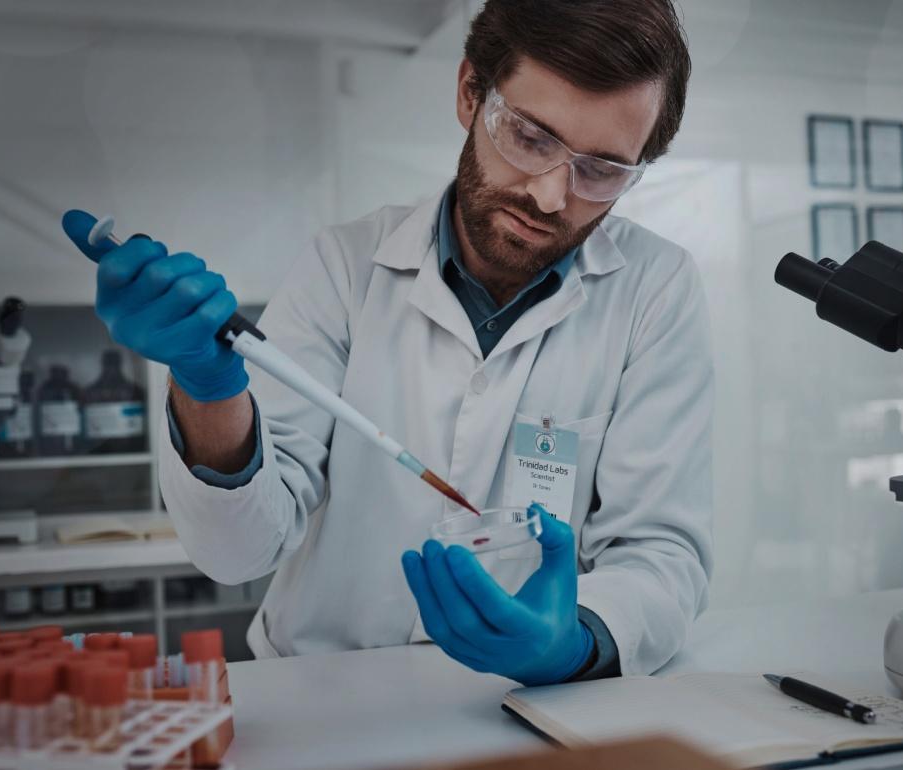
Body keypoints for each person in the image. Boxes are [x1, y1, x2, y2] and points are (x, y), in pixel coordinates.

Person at [67, 0, 713, 685]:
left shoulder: (654, 289)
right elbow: (236, 552)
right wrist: (206, 386)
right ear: (470, 93)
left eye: (603, 171)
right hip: (322, 702)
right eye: (530, 137)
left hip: (526, 707)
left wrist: (577, 640)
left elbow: (661, 555)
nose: (553, 196)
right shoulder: (345, 267)